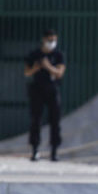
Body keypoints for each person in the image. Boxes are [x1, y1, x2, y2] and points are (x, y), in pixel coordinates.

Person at [24, 28, 66, 161]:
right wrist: (36, 67)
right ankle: (35, 149)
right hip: (37, 90)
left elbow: (59, 73)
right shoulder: (34, 54)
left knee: (55, 120)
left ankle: (54, 151)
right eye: (49, 40)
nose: (52, 43)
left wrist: (48, 66)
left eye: (54, 40)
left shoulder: (58, 55)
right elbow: (27, 72)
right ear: (43, 40)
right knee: (35, 120)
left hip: (53, 89)